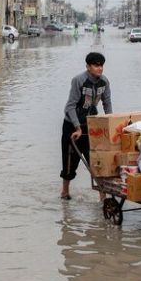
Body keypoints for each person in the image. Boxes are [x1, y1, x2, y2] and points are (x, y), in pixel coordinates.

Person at [60, 51, 112, 200]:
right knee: (70, 162)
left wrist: (110, 123)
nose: (100, 68)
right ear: (88, 67)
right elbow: (69, 107)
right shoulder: (78, 80)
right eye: (96, 66)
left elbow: (107, 104)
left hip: (91, 124)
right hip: (72, 126)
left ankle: (103, 198)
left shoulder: (104, 82)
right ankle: (65, 192)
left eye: (101, 65)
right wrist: (77, 127)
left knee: (96, 162)